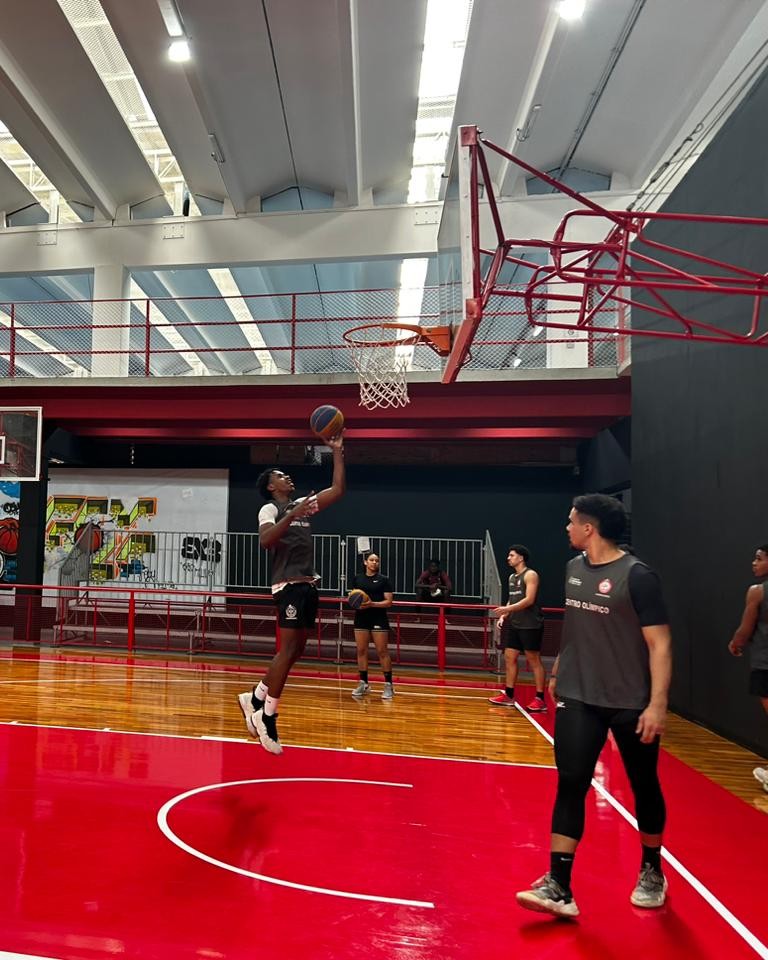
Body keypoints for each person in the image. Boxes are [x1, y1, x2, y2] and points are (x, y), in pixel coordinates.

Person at [517, 494, 672, 919]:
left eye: (571, 522)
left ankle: (652, 869)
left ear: (590, 528)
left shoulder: (638, 577)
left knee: (644, 784)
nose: (566, 528)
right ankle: (559, 886)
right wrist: (560, 667)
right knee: (571, 782)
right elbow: (577, 626)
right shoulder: (572, 570)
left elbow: (660, 644)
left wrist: (657, 704)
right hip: (578, 695)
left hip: (629, 701)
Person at [237, 433, 345, 754]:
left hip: (307, 584)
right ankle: (266, 715)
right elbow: (265, 540)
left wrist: (337, 452)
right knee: (286, 651)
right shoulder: (269, 508)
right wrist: (291, 515)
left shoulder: (300, 505)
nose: (287, 477)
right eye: (280, 476)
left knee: (297, 651)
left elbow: (338, 490)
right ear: (272, 486)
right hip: (288, 585)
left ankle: (254, 696)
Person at [727, 543, 768, 793]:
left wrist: (735, 643)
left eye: (759, 558)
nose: (754, 563)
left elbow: (745, 628)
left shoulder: (757, 592)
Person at [488, 544, 546, 712]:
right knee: (509, 657)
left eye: (511, 555)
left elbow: (529, 600)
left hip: (531, 624)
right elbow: (511, 600)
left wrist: (508, 610)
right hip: (516, 623)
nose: (508, 558)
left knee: (533, 659)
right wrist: (504, 615)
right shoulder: (512, 577)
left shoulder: (531, 575)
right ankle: (509, 695)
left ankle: (540, 699)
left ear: (520, 558)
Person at [350, 552, 395, 700]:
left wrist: (371, 604)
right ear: (365, 562)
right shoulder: (357, 579)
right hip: (361, 618)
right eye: (371, 560)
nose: (374, 562)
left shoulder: (384, 580)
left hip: (378, 618)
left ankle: (389, 685)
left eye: (376, 560)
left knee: (382, 651)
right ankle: (363, 683)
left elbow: (388, 602)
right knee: (361, 651)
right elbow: (353, 597)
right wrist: (357, 604)